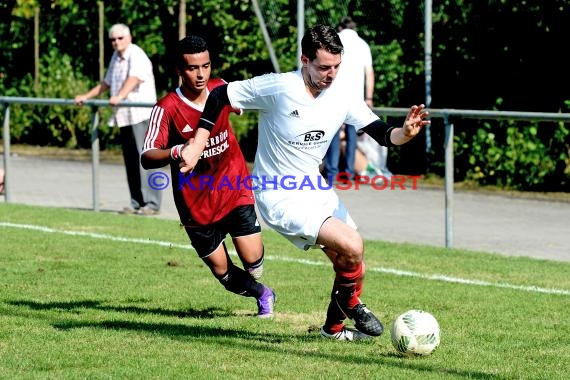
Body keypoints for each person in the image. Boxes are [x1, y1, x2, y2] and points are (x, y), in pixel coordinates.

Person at [179, 25, 429, 340]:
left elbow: (382, 132)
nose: (331, 74)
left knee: (353, 264)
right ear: (304, 60)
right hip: (278, 195)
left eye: (337, 66)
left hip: (315, 190)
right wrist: (198, 142)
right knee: (353, 245)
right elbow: (219, 95)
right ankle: (352, 303)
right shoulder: (279, 88)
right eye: (324, 67)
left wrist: (405, 133)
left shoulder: (341, 95)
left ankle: (333, 331)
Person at [140, 35, 275, 318]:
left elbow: (258, 101)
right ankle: (263, 294)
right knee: (223, 273)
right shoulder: (166, 109)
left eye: (206, 66)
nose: (201, 74)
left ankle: (256, 276)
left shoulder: (222, 89)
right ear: (179, 70)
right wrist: (177, 150)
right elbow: (147, 155)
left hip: (232, 186)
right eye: (192, 68)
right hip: (195, 204)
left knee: (253, 259)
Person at [75, 23, 162, 216]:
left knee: (147, 158)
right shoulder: (116, 56)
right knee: (131, 160)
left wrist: (120, 96)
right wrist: (86, 96)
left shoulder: (136, 54)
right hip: (125, 116)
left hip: (142, 115)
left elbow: (134, 79)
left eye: (120, 38)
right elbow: (106, 83)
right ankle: (136, 202)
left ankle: (153, 203)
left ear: (129, 37)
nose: (116, 42)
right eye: (113, 39)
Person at [322, 16, 376, 181]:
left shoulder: (335, 42)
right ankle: (349, 173)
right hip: (356, 98)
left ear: (340, 28)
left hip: (334, 94)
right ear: (355, 29)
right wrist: (369, 98)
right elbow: (369, 73)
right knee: (352, 135)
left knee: (333, 134)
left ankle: (331, 173)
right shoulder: (363, 45)